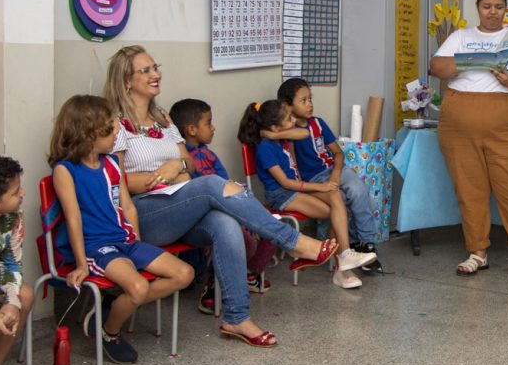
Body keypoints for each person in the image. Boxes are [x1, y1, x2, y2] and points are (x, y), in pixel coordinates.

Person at [104, 45, 338, 348]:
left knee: (225, 224)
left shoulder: (162, 118)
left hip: (179, 203)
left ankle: (237, 317)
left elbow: (187, 166)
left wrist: (175, 166)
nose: (156, 74)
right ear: (126, 81)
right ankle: (294, 243)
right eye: (145, 70)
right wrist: (161, 178)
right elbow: (116, 182)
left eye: (155, 67)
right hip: (144, 215)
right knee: (213, 183)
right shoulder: (114, 123)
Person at [49, 95, 194, 363]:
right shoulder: (65, 171)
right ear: (89, 133)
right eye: (110, 126)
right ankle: (109, 331)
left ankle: (113, 307)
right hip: (97, 247)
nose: (117, 131)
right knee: (137, 288)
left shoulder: (113, 164)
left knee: (184, 274)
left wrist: (137, 244)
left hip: (125, 241)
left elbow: (128, 208)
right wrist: (81, 264)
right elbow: (73, 219)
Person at [429, 0, 508, 278]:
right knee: (470, 190)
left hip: (507, 124)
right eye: (487, 7)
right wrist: (472, 62)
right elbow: (436, 68)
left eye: (499, 7)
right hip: (460, 125)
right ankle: (477, 252)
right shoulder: (460, 37)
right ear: (478, 8)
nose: (493, 12)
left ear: (506, 9)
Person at [238, 99, 376, 289]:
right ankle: (343, 262)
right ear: (275, 126)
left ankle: (344, 258)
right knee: (335, 210)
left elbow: (304, 133)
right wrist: (320, 187)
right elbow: (284, 183)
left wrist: (276, 133)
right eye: (288, 118)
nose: (293, 120)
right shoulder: (265, 148)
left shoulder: (281, 137)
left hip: (294, 187)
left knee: (336, 198)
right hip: (282, 195)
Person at [169, 98, 277, 306]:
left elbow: (225, 183)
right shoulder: (180, 159)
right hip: (208, 217)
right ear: (191, 129)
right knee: (241, 240)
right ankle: (214, 282)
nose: (213, 127)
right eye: (208, 122)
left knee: (271, 230)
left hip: (229, 207)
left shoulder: (209, 155)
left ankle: (249, 274)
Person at [273, 78, 383, 272]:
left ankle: (365, 243)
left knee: (358, 190)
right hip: (312, 181)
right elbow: (293, 166)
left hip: (334, 170)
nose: (310, 104)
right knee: (339, 200)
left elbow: (338, 153)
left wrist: (335, 175)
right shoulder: (288, 132)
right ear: (288, 106)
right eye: (303, 100)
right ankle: (348, 249)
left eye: (310, 98)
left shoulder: (318, 123)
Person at [0, 156, 34, 365]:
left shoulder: (11, 218)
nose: (22, 193)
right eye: (15, 191)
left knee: (24, 295)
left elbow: (11, 263)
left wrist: (11, 303)